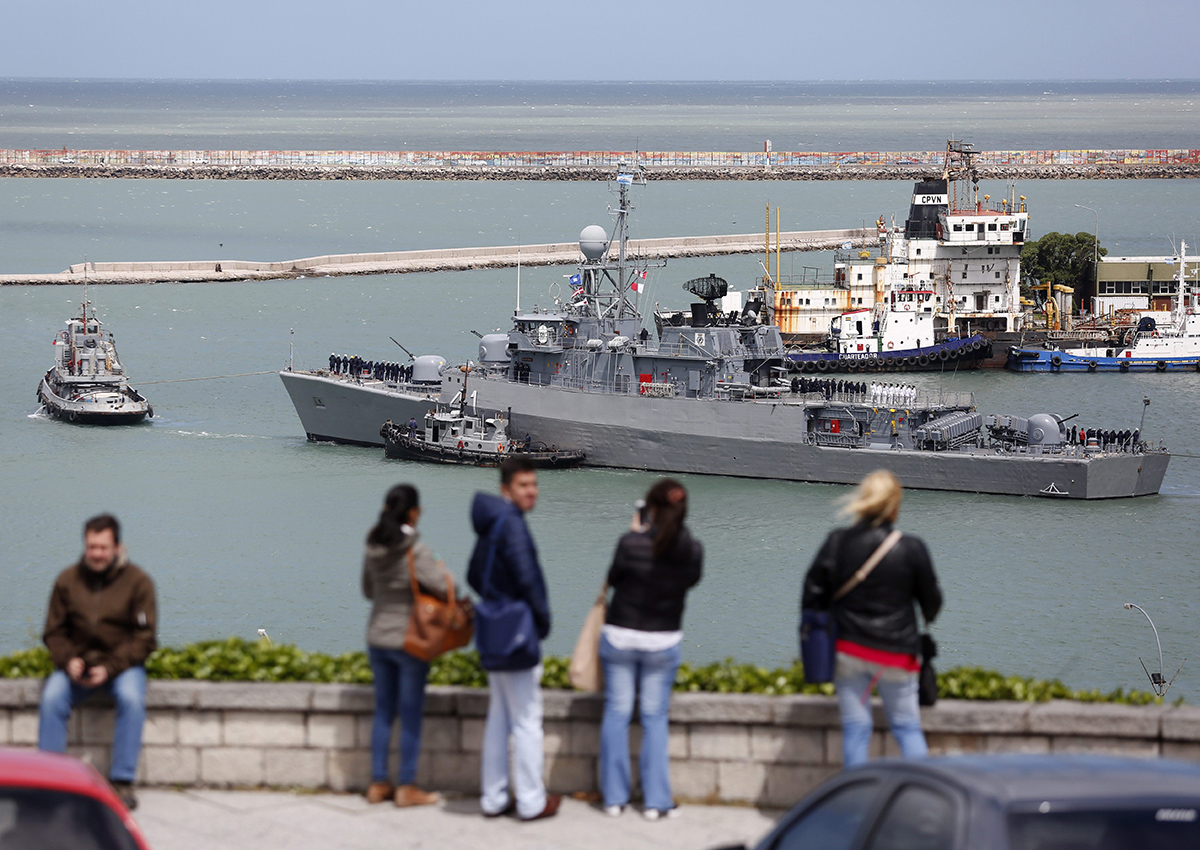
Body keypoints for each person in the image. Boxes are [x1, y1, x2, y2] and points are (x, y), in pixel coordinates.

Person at [801, 470, 942, 768]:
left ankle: (856, 804)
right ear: (894, 506)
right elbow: (932, 602)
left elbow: (812, 594)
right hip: (897, 653)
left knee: (855, 728)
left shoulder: (837, 542)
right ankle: (920, 803)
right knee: (906, 728)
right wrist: (926, 616)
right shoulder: (911, 547)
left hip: (849, 649)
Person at [599, 479, 702, 820]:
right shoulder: (692, 548)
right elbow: (690, 579)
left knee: (617, 712)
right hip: (662, 640)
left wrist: (636, 533)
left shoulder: (630, 543)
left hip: (621, 637)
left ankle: (614, 799)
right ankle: (656, 802)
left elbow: (613, 578)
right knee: (654, 717)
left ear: (650, 509)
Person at [38, 514, 156, 811]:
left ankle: (122, 780)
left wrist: (111, 668)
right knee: (52, 697)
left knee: (131, 698)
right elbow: (53, 631)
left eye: (103, 547)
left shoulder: (139, 582)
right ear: (85, 545)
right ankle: (50, 780)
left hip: (122, 668)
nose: (97, 554)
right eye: (92, 547)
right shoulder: (67, 580)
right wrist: (68, 661)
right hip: (76, 666)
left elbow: (145, 638)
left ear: (117, 547)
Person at [467, 456, 560, 821]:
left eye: (534, 484)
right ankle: (532, 801)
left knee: (499, 718)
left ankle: (493, 798)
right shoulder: (514, 526)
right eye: (524, 485)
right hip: (518, 632)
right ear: (506, 488)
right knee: (526, 721)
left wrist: (496, 598)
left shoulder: (491, 523)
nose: (532, 492)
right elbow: (530, 580)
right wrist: (541, 620)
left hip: (492, 627)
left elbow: (473, 575)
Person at [361, 484, 447, 808]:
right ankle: (407, 787)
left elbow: (368, 591)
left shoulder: (373, 546)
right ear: (412, 512)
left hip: (377, 638)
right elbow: (441, 587)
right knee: (410, 714)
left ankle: (378, 782)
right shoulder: (415, 550)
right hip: (409, 640)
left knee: (383, 711)